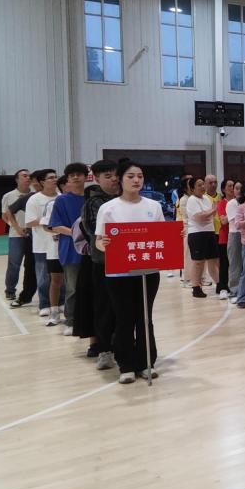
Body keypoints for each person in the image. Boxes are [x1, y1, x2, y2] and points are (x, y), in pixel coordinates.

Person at [95, 161, 171, 384]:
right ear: (120, 179)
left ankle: (146, 363)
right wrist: (105, 245)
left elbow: (161, 235)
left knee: (144, 318)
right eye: (130, 176)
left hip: (148, 272)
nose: (136, 180)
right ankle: (126, 365)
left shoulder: (154, 206)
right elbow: (99, 241)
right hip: (119, 275)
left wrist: (175, 235)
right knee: (124, 319)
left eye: (140, 176)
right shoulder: (108, 208)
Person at [80, 159, 120, 369]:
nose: (114, 179)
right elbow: (95, 232)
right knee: (104, 308)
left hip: (126, 263)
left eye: (116, 175)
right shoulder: (93, 203)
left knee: (123, 309)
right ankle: (104, 350)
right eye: (108, 176)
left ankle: (122, 346)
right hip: (103, 262)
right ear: (96, 179)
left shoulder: (125, 199)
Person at [46, 163, 88, 335]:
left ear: (86, 177)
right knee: (73, 287)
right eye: (72, 175)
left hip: (93, 250)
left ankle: (90, 320)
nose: (76, 177)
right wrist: (78, 233)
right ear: (68, 179)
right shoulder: (61, 200)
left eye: (79, 174)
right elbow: (55, 226)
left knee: (93, 287)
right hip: (70, 250)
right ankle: (71, 321)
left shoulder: (92, 198)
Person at [25, 169, 61, 323]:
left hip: (59, 243)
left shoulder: (61, 197)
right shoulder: (34, 199)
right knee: (43, 277)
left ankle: (60, 303)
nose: (54, 180)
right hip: (41, 244)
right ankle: (44, 304)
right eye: (50, 178)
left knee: (60, 277)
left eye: (55, 177)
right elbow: (29, 222)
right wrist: (47, 220)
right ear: (42, 182)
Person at [2, 169, 36, 307]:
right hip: (16, 235)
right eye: (24, 176)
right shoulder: (9, 196)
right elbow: (5, 215)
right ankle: (10, 290)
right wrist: (17, 228)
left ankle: (29, 291)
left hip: (33, 235)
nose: (28, 178)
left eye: (29, 176)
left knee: (31, 265)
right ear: (17, 179)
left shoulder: (35, 195)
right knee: (14, 263)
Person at [185, 176, 219, 297]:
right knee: (198, 262)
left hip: (209, 232)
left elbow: (207, 216)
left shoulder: (206, 199)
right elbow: (199, 217)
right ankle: (196, 287)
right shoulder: (192, 200)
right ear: (192, 189)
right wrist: (212, 211)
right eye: (199, 185)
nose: (203, 187)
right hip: (197, 233)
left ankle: (219, 285)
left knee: (213, 260)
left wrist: (208, 213)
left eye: (203, 184)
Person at [215, 179, 235, 299]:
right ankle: (222, 287)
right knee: (224, 264)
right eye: (229, 186)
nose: (232, 188)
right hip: (225, 237)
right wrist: (235, 212)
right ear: (223, 189)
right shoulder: (222, 203)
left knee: (237, 264)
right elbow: (223, 221)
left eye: (233, 186)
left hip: (238, 237)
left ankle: (236, 287)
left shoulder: (239, 202)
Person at [225, 180, 242, 300]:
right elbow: (236, 222)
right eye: (236, 188)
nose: (239, 191)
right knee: (235, 264)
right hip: (235, 235)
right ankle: (234, 290)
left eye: (241, 188)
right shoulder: (231, 203)